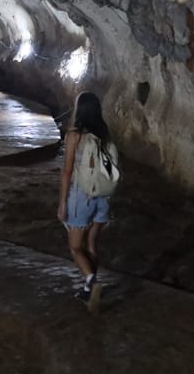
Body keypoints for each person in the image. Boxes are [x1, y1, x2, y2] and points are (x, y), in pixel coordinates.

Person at [57, 91, 117, 306]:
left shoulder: (75, 135)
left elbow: (66, 172)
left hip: (82, 196)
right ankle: (88, 290)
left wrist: (63, 202)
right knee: (91, 244)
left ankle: (91, 280)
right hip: (103, 196)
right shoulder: (105, 133)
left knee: (75, 247)